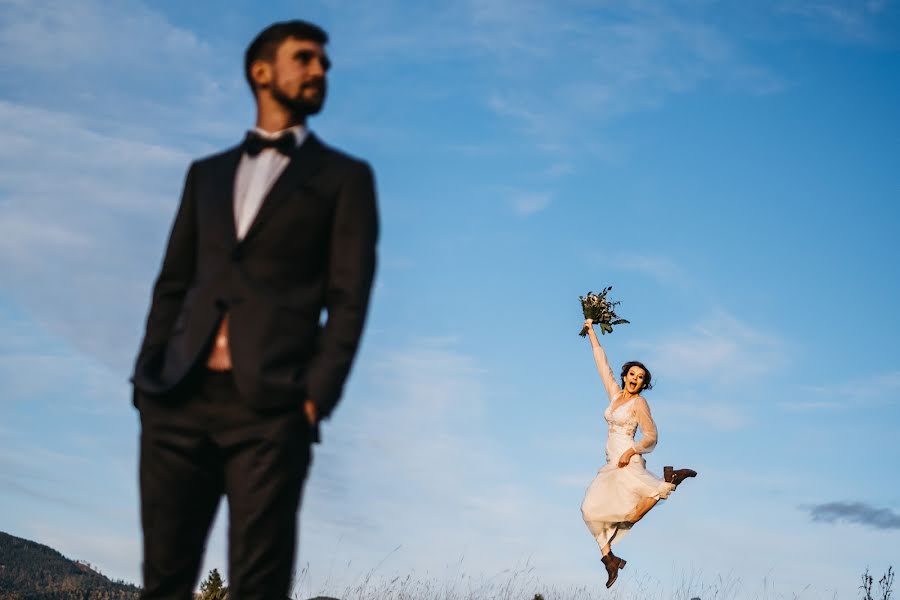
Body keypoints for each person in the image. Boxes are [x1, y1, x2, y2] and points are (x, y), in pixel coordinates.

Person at [130, 20, 378, 600]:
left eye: (324, 62)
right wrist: (149, 377)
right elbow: (173, 282)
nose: (320, 70)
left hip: (272, 409)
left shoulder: (345, 179)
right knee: (162, 582)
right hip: (176, 400)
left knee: (258, 587)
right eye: (305, 58)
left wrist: (316, 397)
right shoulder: (206, 175)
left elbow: (350, 297)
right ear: (261, 72)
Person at [580, 319, 696, 588]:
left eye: (641, 377)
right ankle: (609, 559)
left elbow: (651, 436)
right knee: (593, 511)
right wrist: (592, 332)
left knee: (627, 515)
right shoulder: (615, 396)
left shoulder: (639, 403)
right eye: (632, 374)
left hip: (626, 459)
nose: (635, 379)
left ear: (644, 384)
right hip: (611, 461)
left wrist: (631, 450)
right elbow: (602, 367)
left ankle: (671, 481)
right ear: (625, 376)